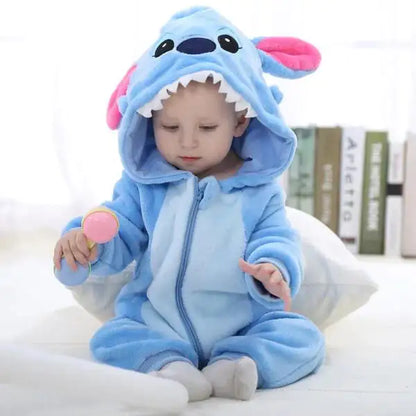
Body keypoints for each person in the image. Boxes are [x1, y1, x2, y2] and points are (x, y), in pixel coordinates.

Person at [53, 6, 325, 402]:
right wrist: (87, 244)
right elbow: (118, 228)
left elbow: (276, 236)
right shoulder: (144, 186)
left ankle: (234, 365)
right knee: (112, 336)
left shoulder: (259, 191)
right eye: (169, 127)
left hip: (242, 323)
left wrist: (272, 268)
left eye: (207, 127)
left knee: (302, 336)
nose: (187, 142)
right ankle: (169, 365)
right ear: (148, 121)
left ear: (240, 122)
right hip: (157, 320)